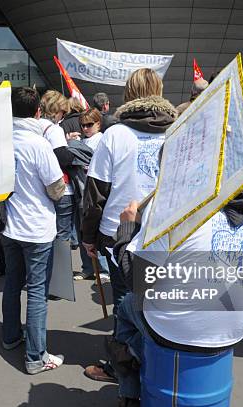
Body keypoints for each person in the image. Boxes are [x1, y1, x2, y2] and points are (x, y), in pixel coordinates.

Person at [110, 186, 243, 407]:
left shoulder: (174, 206)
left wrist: (127, 227)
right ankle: (136, 353)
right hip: (234, 327)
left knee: (126, 305)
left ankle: (129, 390)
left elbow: (135, 277)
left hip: (176, 332)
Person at [81, 68, 178, 382]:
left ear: (128, 94)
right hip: (164, 230)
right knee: (155, 299)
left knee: (126, 302)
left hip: (120, 230)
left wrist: (88, 237)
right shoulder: (176, 131)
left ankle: (123, 367)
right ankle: (153, 358)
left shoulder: (115, 134)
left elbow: (96, 192)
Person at [1, 87, 66, 374]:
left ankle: (10, 336)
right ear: (38, 112)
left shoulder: (1, 140)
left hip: (8, 225)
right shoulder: (38, 144)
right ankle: (36, 357)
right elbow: (56, 188)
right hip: (36, 227)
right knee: (37, 291)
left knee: (12, 283)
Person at [71, 108, 110, 282]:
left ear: (98, 124)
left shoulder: (102, 140)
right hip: (81, 191)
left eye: (89, 124)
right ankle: (88, 267)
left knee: (94, 231)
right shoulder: (83, 141)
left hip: (95, 193)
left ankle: (103, 268)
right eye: (83, 125)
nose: (85, 128)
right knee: (82, 232)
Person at [39, 91, 76, 244]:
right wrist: (74, 153)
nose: (63, 116)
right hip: (61, 188)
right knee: (62, 235)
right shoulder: (54, 129)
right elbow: (62, 156)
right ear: (57, 110)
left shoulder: (35, 125)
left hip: (40, 187)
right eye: (63, 112)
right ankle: (61, 267)